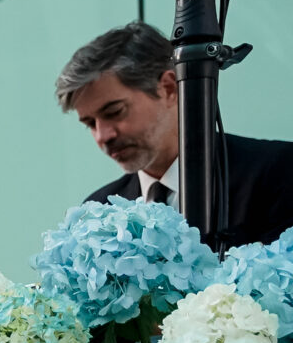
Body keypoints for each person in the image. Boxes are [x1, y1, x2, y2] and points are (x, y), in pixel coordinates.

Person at [59, 23, 293, 250]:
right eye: (89, 123)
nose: (103, 135)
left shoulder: (278, 172)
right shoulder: (97, 210)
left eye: (114, 112)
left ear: (169, 87)